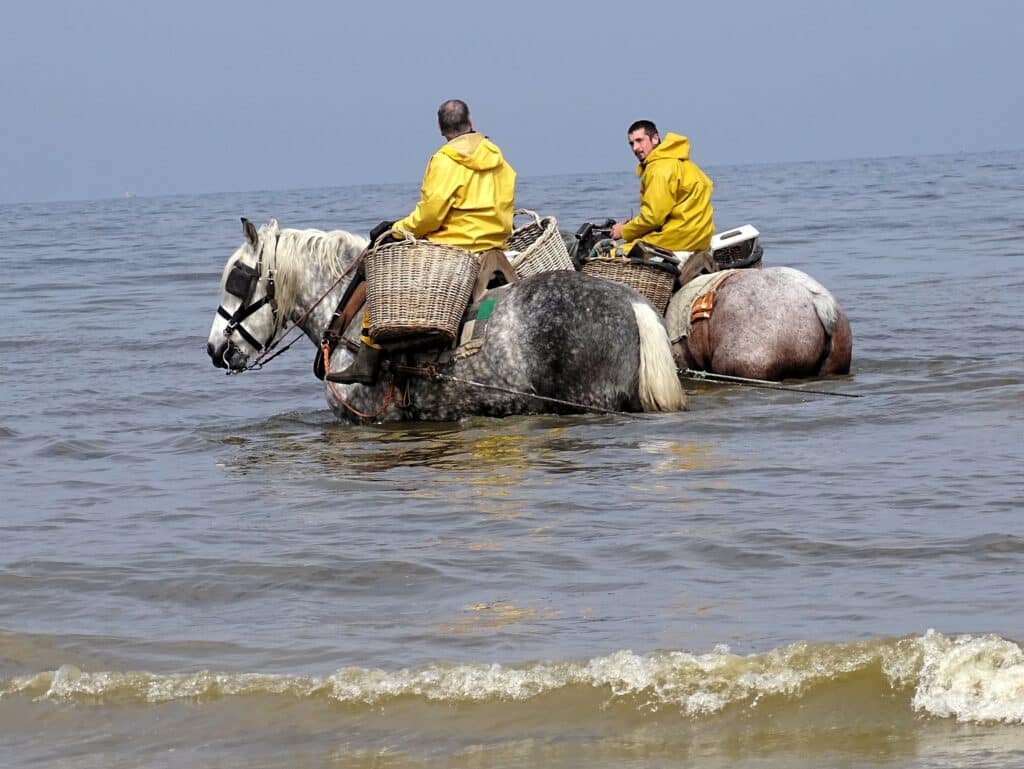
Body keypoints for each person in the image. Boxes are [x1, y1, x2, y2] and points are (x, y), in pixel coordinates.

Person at [329, 99, 516, 385]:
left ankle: (368, 358)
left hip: (457, 243)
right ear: (471, 120)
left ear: (441, 129)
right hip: (495, 242)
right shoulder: (495, 152)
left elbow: (430, 215)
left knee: (384, 274)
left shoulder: (445, 158)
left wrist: (399, 227)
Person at [609, 120, 714, 255]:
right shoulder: (685, 164)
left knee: (612, 253)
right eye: (631, 143)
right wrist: (630, 224)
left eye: (640, 140)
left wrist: (623, 231)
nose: (635, 148)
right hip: (701, 238)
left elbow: (653, 218)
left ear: (655, 139)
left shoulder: (659, 169)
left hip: (677, 238)